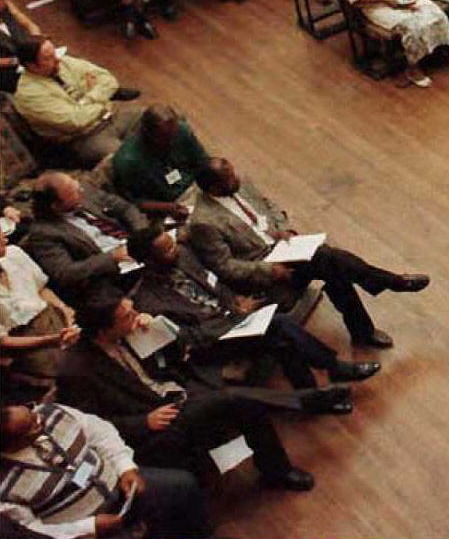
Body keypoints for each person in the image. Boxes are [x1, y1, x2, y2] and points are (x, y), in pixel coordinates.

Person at [57, 289, 316, 491]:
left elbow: (178, 354)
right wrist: (142, 422)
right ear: (104, 329)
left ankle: (277, 468)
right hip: (155, 423)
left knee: (240, 400)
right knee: (236, 399)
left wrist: (156, 330)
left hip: (180, 391)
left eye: (132, 309)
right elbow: (90, 425)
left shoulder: (130, 332)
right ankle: (307, 405)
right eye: (127, 315)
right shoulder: (77, 371)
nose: (135, 315)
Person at [185, 156, 429, 348]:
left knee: (332, 264)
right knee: (330, 261)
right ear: (214, 188)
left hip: (284, 249)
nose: (236, 178)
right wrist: (269, 270)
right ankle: (387, 289)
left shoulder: (240, 183)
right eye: (229, 179)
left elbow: (269, 206)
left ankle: (372, 316)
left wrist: (283, 228)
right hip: (264, 272)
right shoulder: (203, 222)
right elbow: (225, 266)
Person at [125, 225, 379, 391]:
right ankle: (333, 368)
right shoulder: (148, 300)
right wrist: (235, 318)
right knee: (278, 326)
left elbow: (216, 282)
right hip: (214, 341)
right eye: (167, 250)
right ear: (148, 260)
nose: (176, 250)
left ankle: (312, 394)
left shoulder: (185, 256)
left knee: (281, 338)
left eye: (172, 243)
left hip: (237, 314)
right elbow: (189, 337)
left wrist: (236, 301)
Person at [0, 402, 215, 539]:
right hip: (87, 525)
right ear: (11, 443)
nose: (41, 419)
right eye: (33, 426)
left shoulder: (50, 412)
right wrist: (88, 527)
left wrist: (125, 468)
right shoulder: (4, 487)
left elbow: (100, 432)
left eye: (32, 413)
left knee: (182, 485)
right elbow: (31, 531)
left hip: (121, 486)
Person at [19, 171, 145, 306]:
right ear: (56, 206)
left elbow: (126, 208)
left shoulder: (84, 190)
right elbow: (66, 273)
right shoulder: (43, 233)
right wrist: (112, 257)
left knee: (158, 242)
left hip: (132, 244)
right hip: (112, 271)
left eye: (75, 183)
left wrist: (142, 234)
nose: (80, 190)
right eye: (72, 192)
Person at [9, 40, 138, 169]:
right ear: (32, 66)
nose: (57, 59)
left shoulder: (64, 62)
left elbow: (108, 80)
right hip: (86, 137)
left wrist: (88, 100)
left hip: (113, 115)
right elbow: (77, 120)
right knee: (129, 159)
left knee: (149, 117)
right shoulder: (29, 94)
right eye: (48, 58)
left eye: (54, 53)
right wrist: (102, 99)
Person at [0, 212, 80, 388]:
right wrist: (51, 340)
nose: (5, 238)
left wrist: (65, 310)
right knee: (72, 375)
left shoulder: (15, 254)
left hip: (53, 317)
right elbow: (4, 341)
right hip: (25, 342)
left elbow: (42, 289)